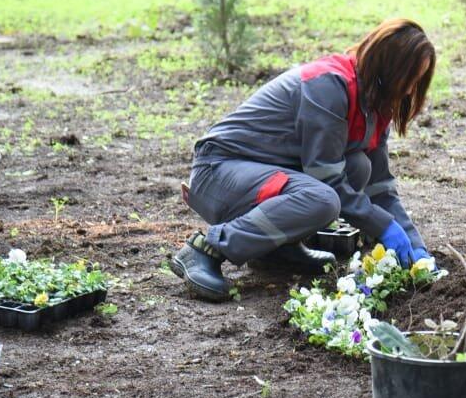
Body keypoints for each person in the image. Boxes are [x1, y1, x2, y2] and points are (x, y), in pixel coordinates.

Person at [170, 18, 435, 301]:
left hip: (261, 174)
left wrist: (417, 249)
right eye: (408, 80)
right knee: (323, 199)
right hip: (219, 173)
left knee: (359, 168)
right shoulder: (330, 86)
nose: (409, 91)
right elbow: (327, 179)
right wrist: (383, 226)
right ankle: (208, 249)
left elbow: (380, 186)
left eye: (417, 82)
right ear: (389, 67)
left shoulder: (374, 104)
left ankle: (276, 251)